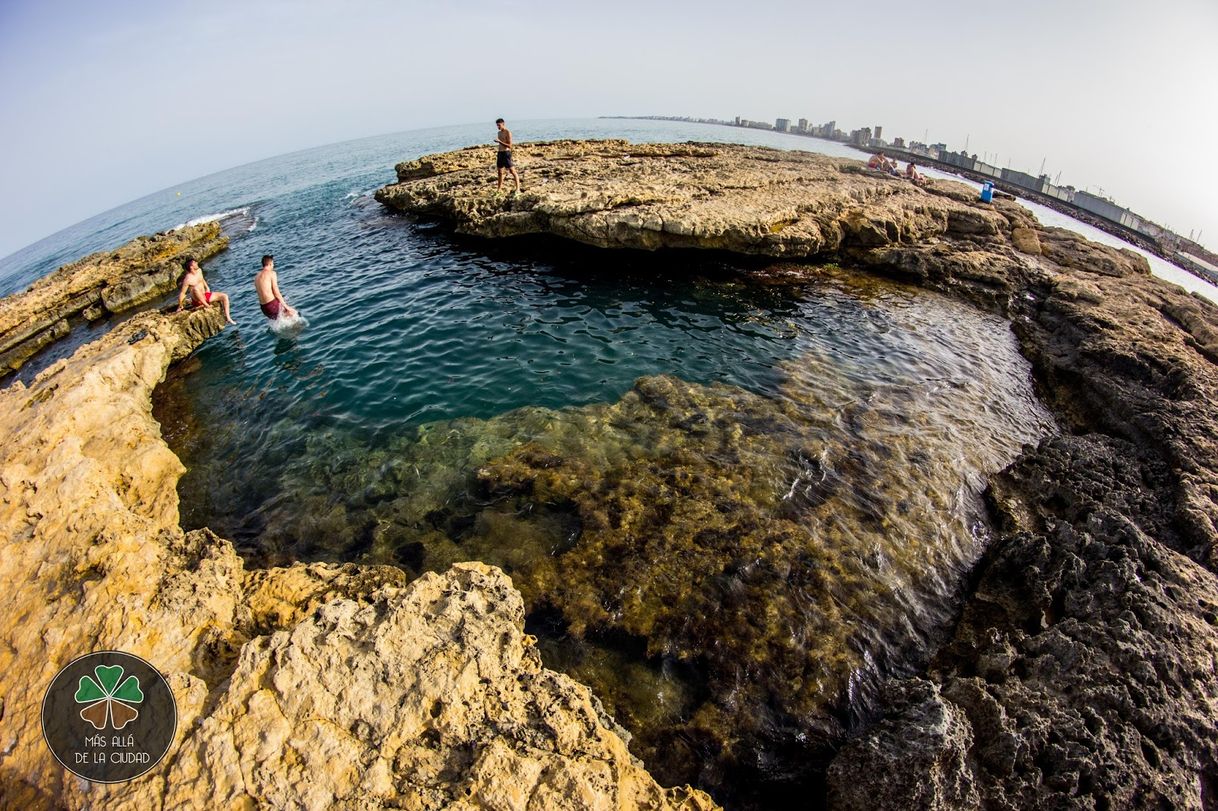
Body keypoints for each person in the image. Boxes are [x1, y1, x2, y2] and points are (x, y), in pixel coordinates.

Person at [176, 256, 235, 324]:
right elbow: (182, 293)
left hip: (205, 295)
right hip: (197, 300)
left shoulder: (199, 271)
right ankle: (206, 305)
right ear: (191, 267)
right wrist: (180, 306)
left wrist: (207, 287)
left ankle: (228, 318)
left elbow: (202, 279)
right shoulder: (188, 279)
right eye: (194, 263)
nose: (197, 263)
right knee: (195, 289)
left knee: (224, 296)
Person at [253, 254, 298, 321]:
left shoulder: (256, 276)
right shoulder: (272, 273)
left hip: (264, 309)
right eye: (273, 263)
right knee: (294, 313)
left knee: (283, 320)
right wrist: (287, 307)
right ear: (270, 264)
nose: (273, 266)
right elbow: (276, 292)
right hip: (271, 305)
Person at [495, 118, 521, 192]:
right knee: (500, 172)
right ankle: (499, 189)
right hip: (500, 153)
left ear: (503, 124)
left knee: (512, 171)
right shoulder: (499, 133)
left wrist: (499, 141)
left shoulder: (508, 132)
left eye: (499, 125)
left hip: (506, 153)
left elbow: (510, 146)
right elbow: (500, 144)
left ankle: (518, 189)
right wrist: (499, 142)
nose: (498, 127)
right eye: (497, 126)